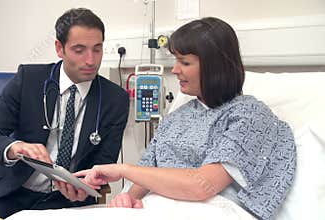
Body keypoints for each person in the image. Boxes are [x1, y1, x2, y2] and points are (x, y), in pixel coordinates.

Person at [76, 17, 296, 220]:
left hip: (211, 210)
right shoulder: (177, 118)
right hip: (158, 208)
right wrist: (127, 199)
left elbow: (203, 186)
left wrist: (123, 169)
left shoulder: (249, 115)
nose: (175, 69)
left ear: (215, 66)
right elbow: (143, 179)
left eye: (185, 62)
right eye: (175, 60)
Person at [0, 8, 129, 218]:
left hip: (70, 202)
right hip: (12, 194)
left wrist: (88, 184)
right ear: (59, 48)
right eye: (79, 50)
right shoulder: (28, 80)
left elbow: (104, 163)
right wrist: (15, 147)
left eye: (97, 49)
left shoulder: (115, 99)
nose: (91, 60)